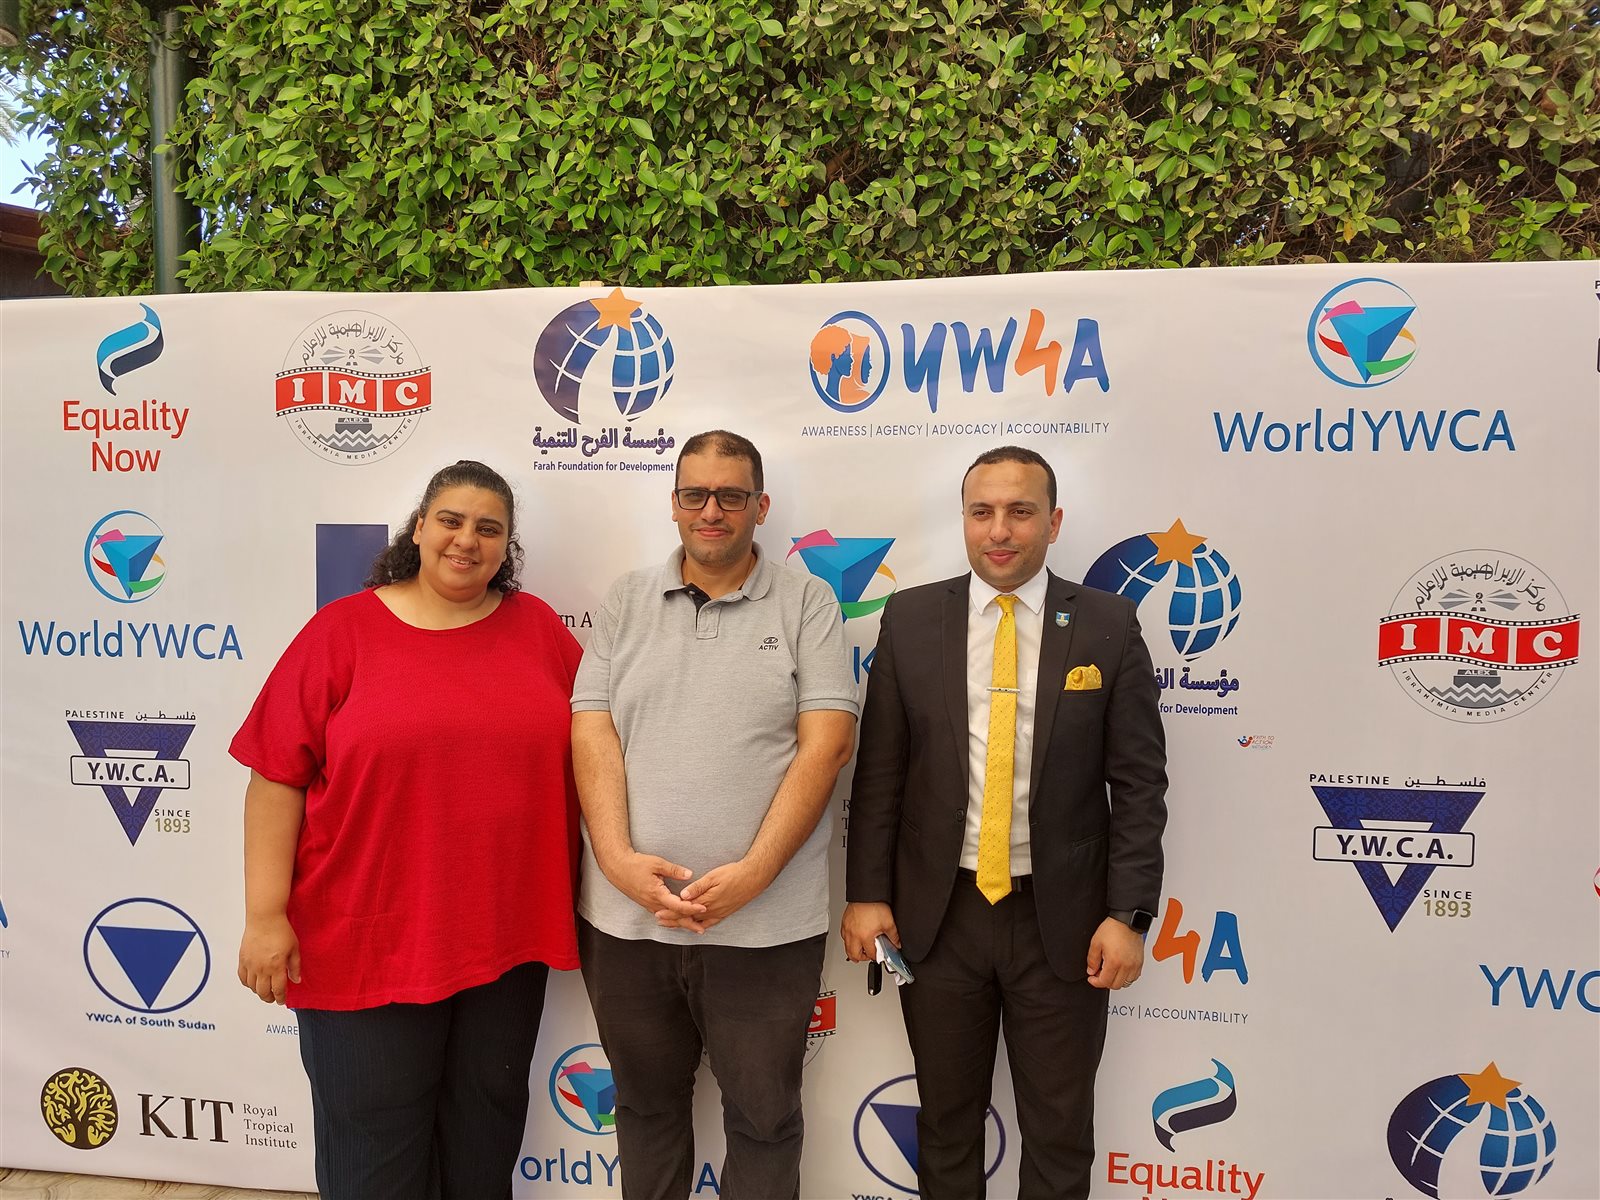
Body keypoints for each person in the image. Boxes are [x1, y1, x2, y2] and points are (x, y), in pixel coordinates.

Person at [231, 460, 582, 1200]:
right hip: (365, 939)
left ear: (507, 545)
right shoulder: (342, 631)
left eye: (489, 528)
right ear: (419, 529)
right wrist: (265, 916)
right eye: (450, 520)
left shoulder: (541, 631)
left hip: (504, 940)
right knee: (373, 1162)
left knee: (483, 1146)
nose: (467, 540)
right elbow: (275, 778)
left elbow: (601, 748)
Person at [841, 445, 1168, 1200]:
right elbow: (881, 772)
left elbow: (1139, 785)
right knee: (946, 1127)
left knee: (1060, 1133)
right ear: (963, 519)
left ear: (1053, 522)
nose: (999, 530)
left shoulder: (1108, 625)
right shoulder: (911, 617)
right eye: (982, 511)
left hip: (1065, 922)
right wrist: (866, 894)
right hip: (939, 916)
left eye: (1020, 511)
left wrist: (1129, 915)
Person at [571, 429, 858, 1200]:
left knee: (764, 1119)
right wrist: (617, 861)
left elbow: (828, 744)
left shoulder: (808, 603)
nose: (711, 511)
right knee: (645, 1109)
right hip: (630, 921)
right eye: (695, 494)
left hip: (765, 926)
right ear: (673, 503)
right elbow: (591, 731)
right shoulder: (627, 600)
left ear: (760, 507)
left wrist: (754, 874)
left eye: (731, 496)